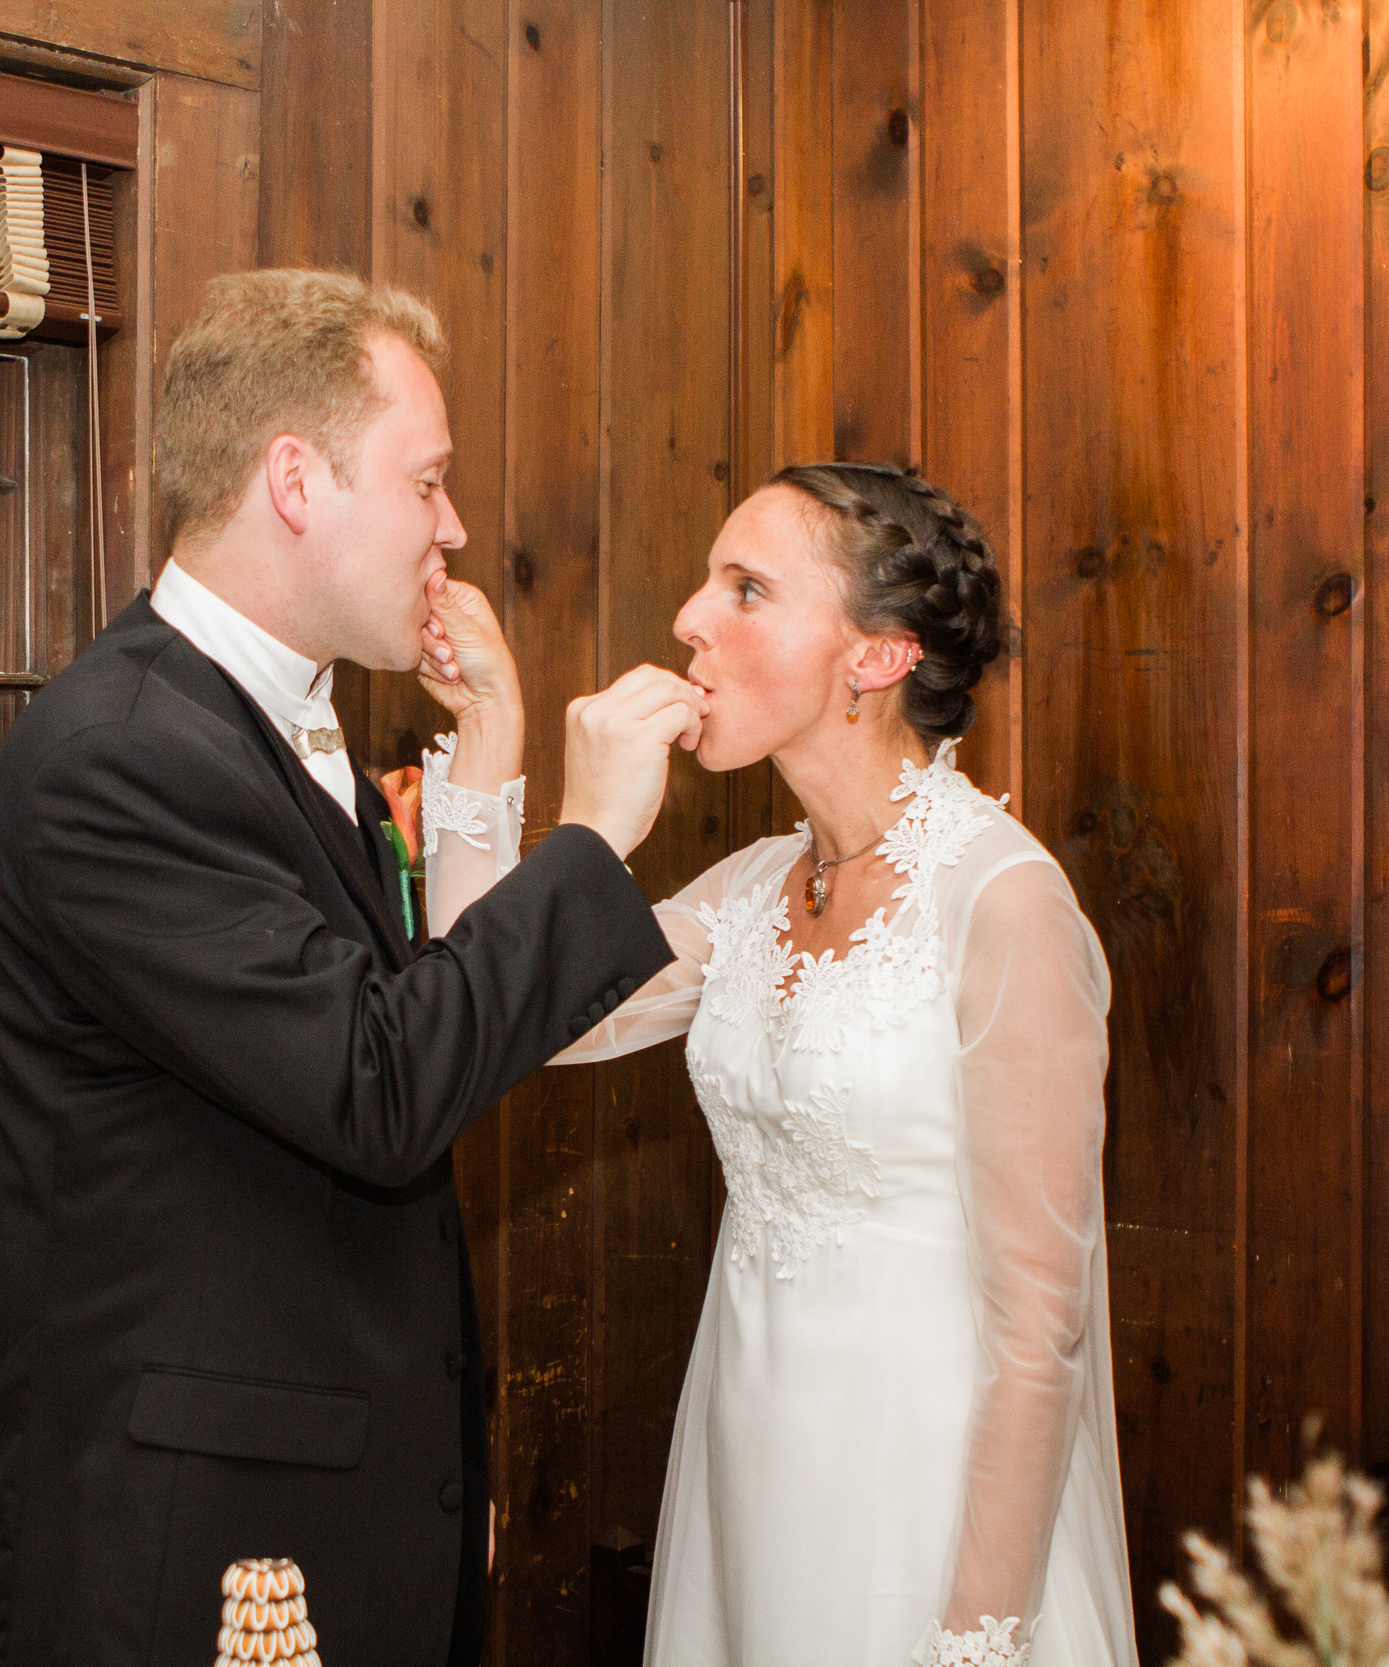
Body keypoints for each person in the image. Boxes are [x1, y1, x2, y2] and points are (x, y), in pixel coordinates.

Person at [0, 269, 703, 1667]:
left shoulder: (267, 731)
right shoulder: (118, 756)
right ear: (296, 480)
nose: (454, 526)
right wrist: (596, 832)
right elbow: (378, 1083)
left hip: (322, 1506)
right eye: (427, 481)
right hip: (188, 1547)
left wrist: (488, 751)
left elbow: (392, 1020)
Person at [422, 465, 1138, 1667]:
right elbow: (508, 1014)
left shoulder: (1002, 903)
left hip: (923, 1496)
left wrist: (974, 1636)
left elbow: (1041, 1334)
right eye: (707, 582)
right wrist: (493, 728)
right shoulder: (755, 887)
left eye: (745, 588)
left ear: (875, 659)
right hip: (749, 1462)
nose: (691, 619)